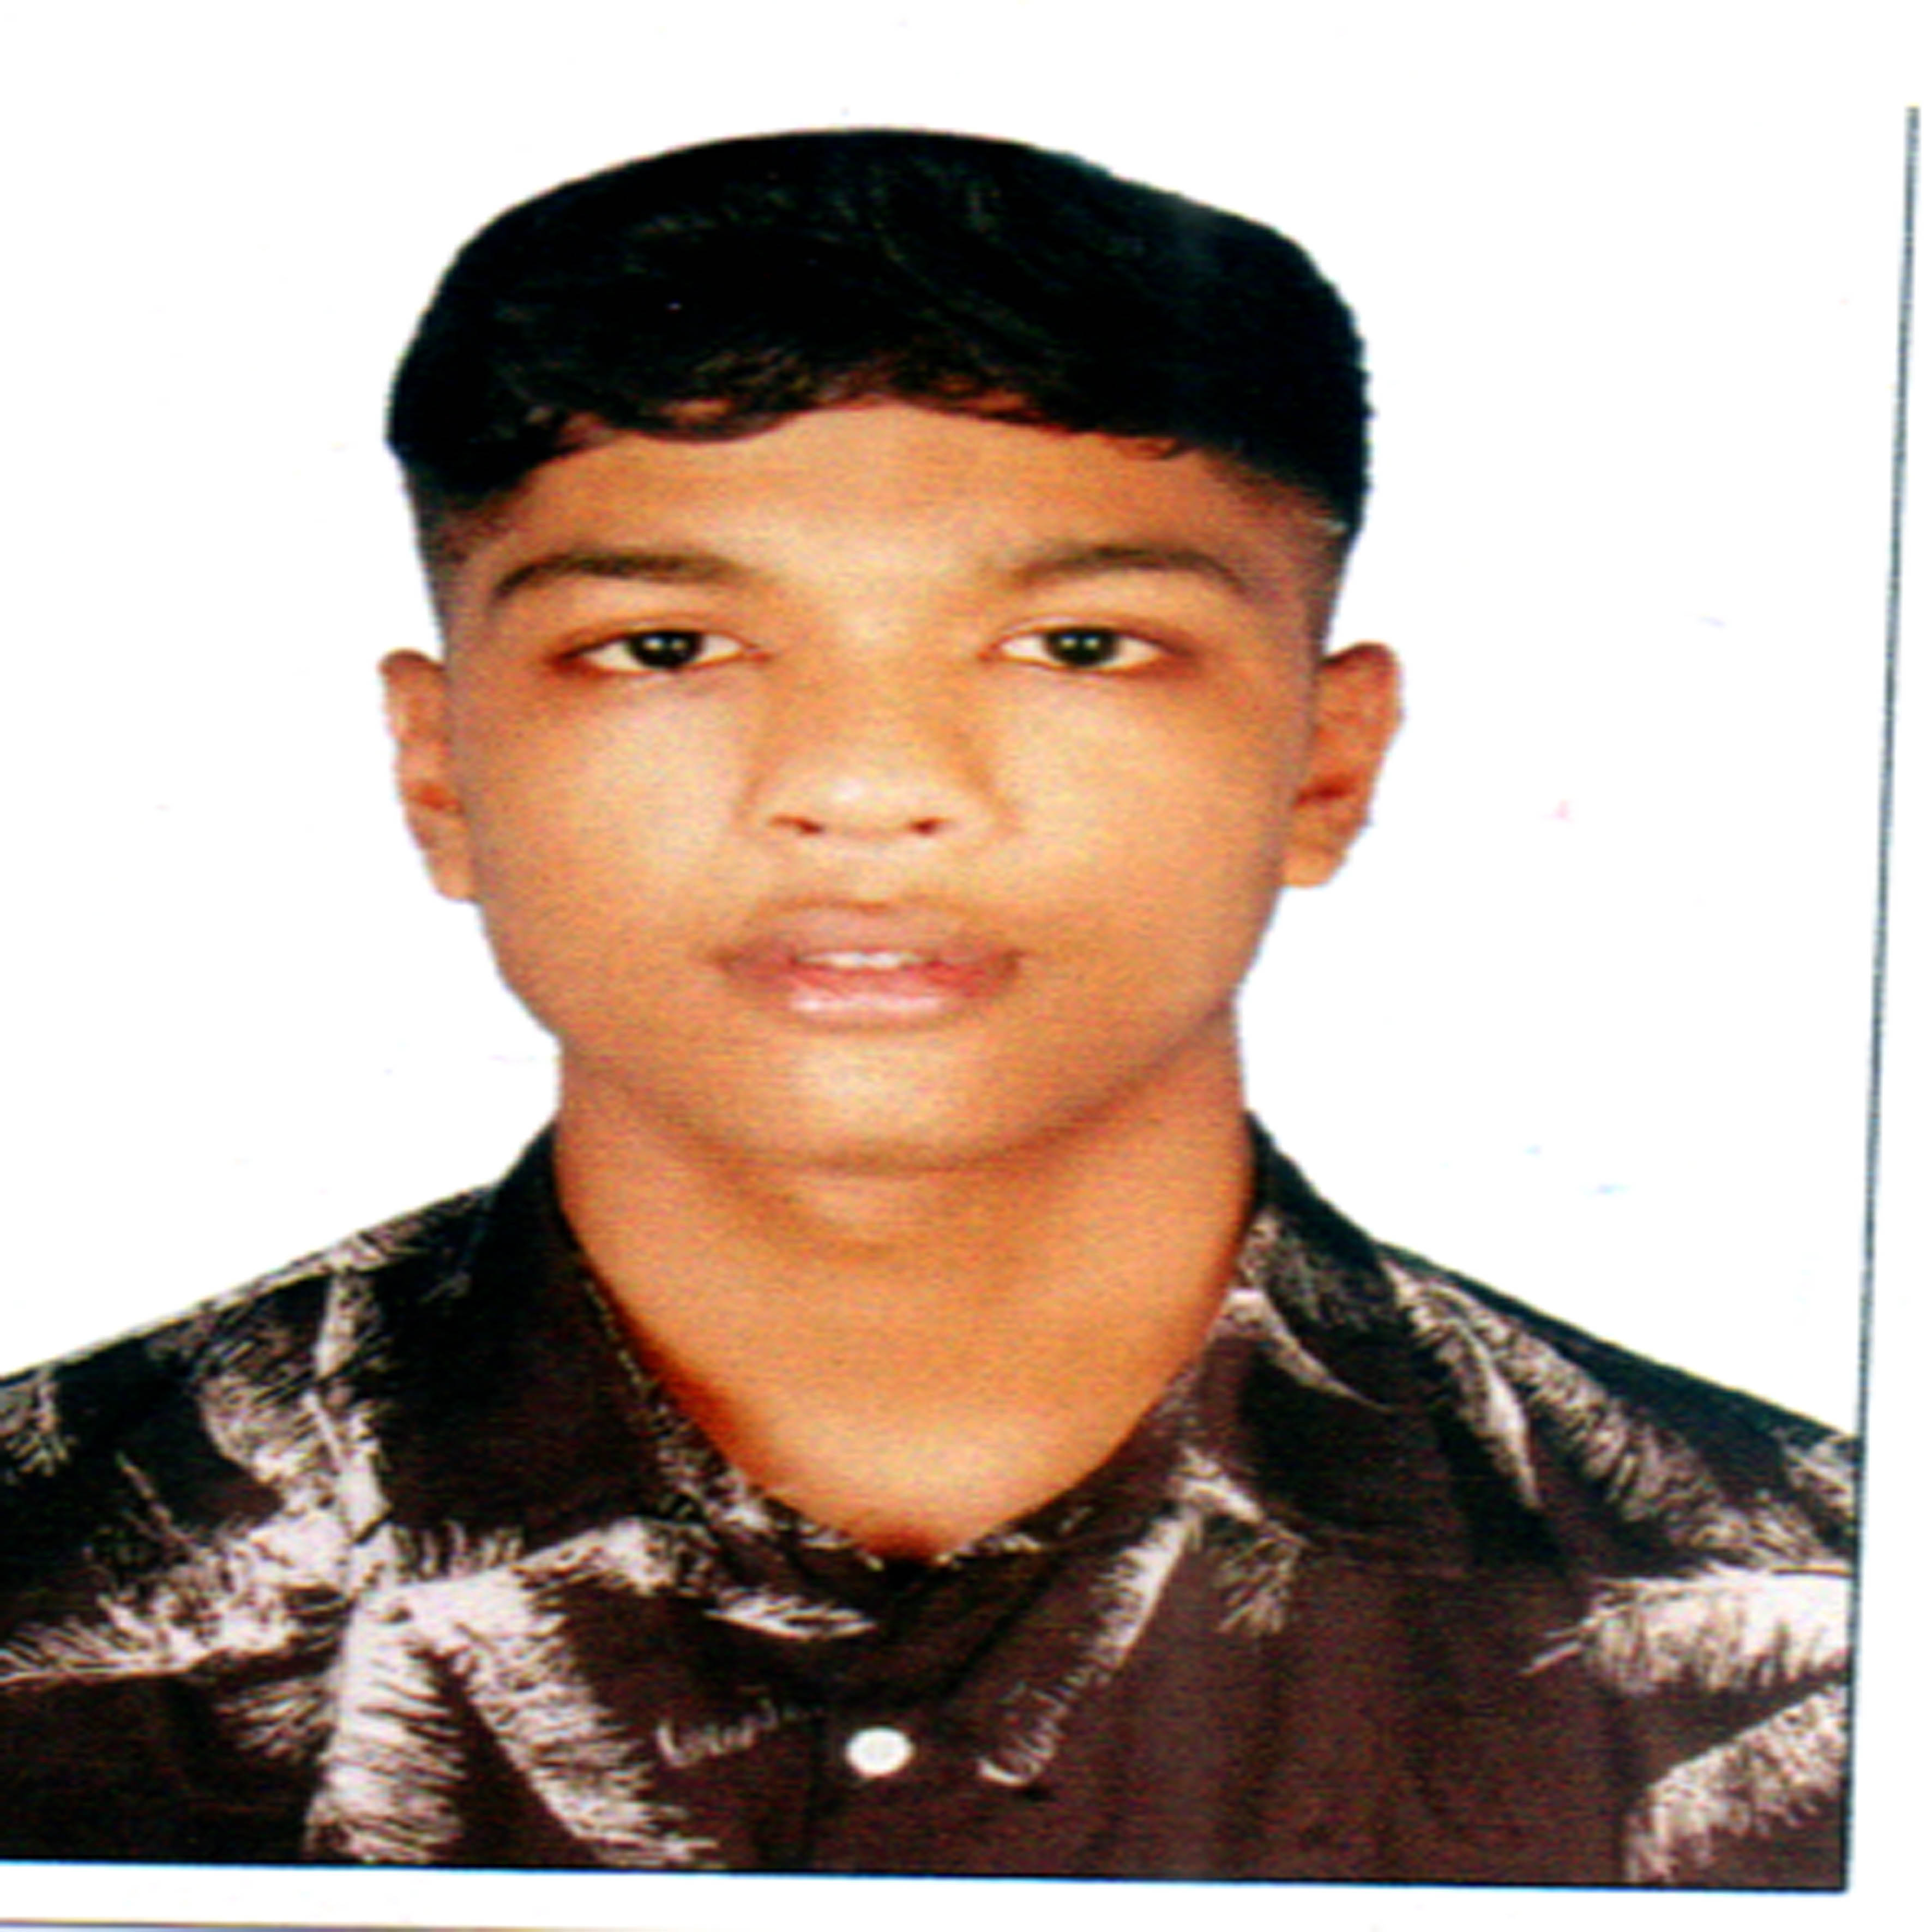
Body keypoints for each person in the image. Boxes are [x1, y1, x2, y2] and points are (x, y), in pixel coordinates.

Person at [0, 129, 1852, 1885]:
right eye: (666, 648)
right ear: (439, 770)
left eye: (1077, 646)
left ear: (1327, 758)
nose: (867, 786)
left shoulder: (1840, 1644)